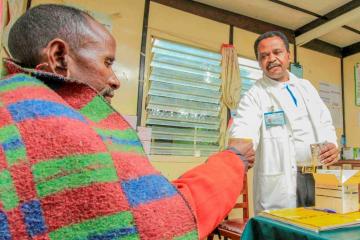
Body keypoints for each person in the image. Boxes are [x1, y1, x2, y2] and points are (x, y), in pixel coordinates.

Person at [0, 4, 254, 240]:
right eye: (107, 62)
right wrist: (233, 160)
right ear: (59, 57)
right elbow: (164, 222)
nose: (115, 80)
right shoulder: (49, 123)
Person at [229, 31, 339, 215]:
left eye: (277, 52)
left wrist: (332, 144)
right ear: (259, 62)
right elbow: (243, 129)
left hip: (315, 175)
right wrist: (233, 155)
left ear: (289, 55)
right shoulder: (255, 95)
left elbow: (325, 120)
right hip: (280, 183)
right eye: (264, 56)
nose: (271, 59)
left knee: (317, 226)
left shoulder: (306, 87)